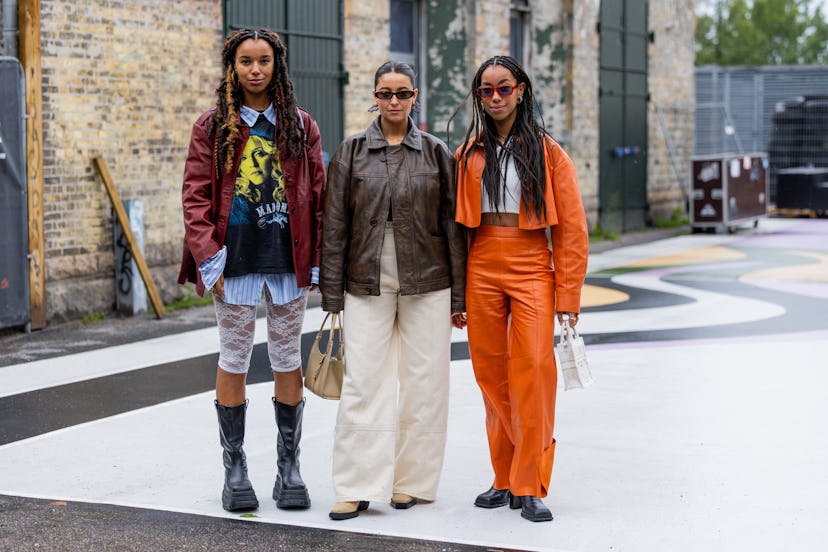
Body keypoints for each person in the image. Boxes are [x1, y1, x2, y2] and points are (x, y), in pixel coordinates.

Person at [178, 28, 325, 512]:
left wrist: (319, 261)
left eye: (263, 61)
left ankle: (289, 468)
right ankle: (235, 468)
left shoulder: (301, 125)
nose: (255, 69)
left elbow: (318, 197)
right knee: (234, 357)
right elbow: (195, 197)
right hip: (233, 261)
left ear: (276, 66)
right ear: (232, 67)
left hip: (287, 259)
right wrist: (209, 260)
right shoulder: (211, 126)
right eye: (246, 61)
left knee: (287, 358)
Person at [320, 61, 466, 521]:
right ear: (375, 96)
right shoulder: (351, 152)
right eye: (385, 93)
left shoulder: (438, 153)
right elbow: (335, 225)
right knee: (364, 381)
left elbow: (454, 227)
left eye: (402, 93)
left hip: (429, 277)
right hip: (366, 277)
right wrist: (330, 295)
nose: (394, 102)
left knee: (426, 382)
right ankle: (357, 484)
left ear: (415, 95)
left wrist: (459, 297)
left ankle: (412, 482)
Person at [452, 55, 588, 522]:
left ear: (521, 90)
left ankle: (529, 481)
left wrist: (568, 296)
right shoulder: (468, 152)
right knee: (492, 377)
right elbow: (453, 230)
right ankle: (505, 476)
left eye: (503, 88)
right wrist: (456, 292)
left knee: (532, 371)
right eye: (485, 91)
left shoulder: (550, 153)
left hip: (532, 264)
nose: (494, 98)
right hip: (482, 263)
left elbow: (571, 228)